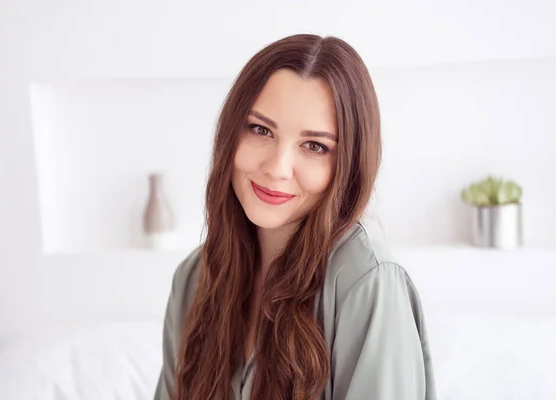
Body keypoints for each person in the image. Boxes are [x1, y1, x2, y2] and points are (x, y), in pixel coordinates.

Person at [154, 34, 436, 400]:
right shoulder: (194, 279)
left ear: (347, 166)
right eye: (260, 129)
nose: (277, 168)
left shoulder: (366, 283)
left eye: (315, 146)